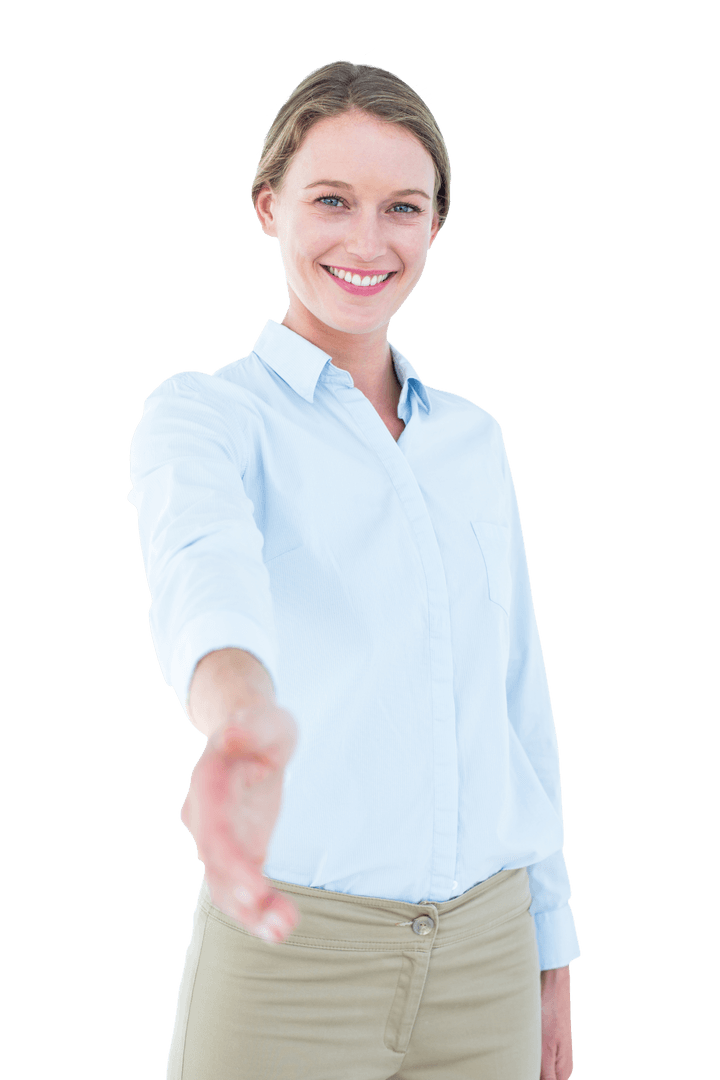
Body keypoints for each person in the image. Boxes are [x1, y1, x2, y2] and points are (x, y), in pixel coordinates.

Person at [128, 59, 581, 1080]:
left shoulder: (473, 440)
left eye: (402, 207)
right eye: (332, 200)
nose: (368, 241)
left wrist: (549, 939)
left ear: (436, 224)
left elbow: (516, 699)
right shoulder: (208, 417)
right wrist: (242, 721)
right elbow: (205, 573)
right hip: (293, 955)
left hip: (488, 953)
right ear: (268, 206)